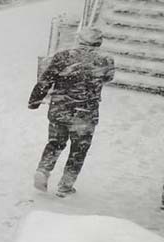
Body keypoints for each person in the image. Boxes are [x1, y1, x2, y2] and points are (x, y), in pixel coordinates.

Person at [29, 27, 115, 196]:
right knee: (79, 149)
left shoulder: (63, 57)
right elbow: (108, 78)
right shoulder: (106, 61)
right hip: (86, 113)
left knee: (55, 142)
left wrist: (35, 100)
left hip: (60, 109)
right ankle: (66, 185)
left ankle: (43, 170)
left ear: (80, 40)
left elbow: (45, 80)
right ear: (99, 42)